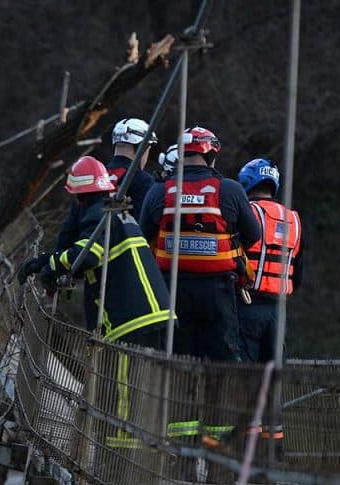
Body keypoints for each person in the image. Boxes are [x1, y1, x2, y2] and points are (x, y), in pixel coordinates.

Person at [20, 155, 173, 453]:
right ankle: (137, 458)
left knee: (123, 397)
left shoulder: (98, 213)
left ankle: (117, 463)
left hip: (130, 319)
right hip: (153, 313)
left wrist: (46, 264)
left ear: (81, 195)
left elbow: (87, 254)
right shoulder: (119, 212)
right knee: (145, 393)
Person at [138, 126, 261, 361]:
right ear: (211, 155)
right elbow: (253, 235)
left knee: (175, 358)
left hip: (171, 289)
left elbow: (143, 236)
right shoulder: (230, 190)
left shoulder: (158, 191)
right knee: (222, 359)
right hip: (218, 290)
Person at [236, 158, 303, 362]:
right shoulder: (293, 219)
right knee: (271, 379)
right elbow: (297, 275)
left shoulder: (246, 213)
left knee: (242, 376)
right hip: (277, 311)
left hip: (246, 305)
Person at [54, 118, 155, 252]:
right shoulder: (143, 181)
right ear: (142, 147)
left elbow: (68, 231)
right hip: (125, 264)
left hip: (85, 259)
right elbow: (148, 228)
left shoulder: (92, 178)